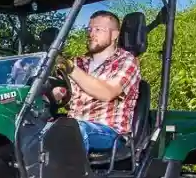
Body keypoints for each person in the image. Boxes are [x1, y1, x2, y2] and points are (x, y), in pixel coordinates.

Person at [49, 10, 141, 153]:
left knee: (73, 130)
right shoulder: (78, 62)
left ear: (114, 35)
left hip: (110, 132)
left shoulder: (126, 61)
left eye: (98, 29)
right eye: (90, 29)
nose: (91, 34)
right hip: (73, 125)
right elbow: (60, 92)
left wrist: (71, 69)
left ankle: (67, 168)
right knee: (33, 128)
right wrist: (54, 93)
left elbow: (107, 93)